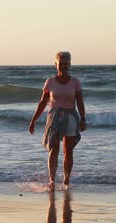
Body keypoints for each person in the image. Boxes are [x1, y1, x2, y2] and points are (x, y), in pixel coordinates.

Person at [29, 51, 86, 191]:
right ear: (56, 64)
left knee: (68, 151)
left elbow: (80, 102)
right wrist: (33, 120)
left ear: (70, 65)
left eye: (66, 64)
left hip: (70, 117)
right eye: (61, 64)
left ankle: (66, 180)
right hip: (54, 117)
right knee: (54, 149)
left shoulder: (75, 82)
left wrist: (83, 119)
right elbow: (43, 102)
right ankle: (52, 180)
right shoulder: (50, 82)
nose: (64, 66)